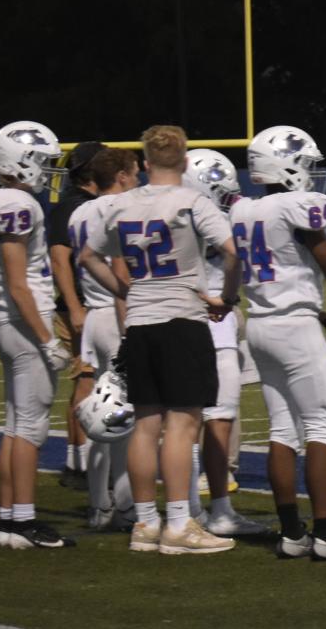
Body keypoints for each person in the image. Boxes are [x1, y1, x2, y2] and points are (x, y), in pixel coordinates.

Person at [79, 126, 240, 555]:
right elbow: (232, 251)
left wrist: (125, 291)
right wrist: (227, 297)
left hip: (140, 324)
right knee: (182, 426)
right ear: (185, 162)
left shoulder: (121, 203)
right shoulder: (191, 200)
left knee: (145, 427)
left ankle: (145, 524)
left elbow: (87, 256)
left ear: (146, 164)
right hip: (181, 321)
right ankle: (179, 524)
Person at [232, 124, 326, 560]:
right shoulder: (297, 208)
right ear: (288, 165)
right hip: (295, 326)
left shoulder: (242, 211)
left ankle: (292, 533)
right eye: (306, 164)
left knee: (282, 429)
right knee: (323, 427)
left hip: (260, 323)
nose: (311, 174)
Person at [0, 120, 72, 549]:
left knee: (16, 426)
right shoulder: (16, 204)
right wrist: (48, 339)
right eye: (44, 162)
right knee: (31, 428)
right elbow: (18, 283)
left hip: (6, 321)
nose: (50, 172)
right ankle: (25, 523)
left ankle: (10, 518)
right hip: (25, 322)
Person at [183, 148, 267, 537]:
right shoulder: (208, 217)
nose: (231, 197)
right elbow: (235, 254)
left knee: (181, 420)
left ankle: (178, 511)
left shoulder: (164, 210)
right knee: (216, 417)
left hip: (178, 318)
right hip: (213, 317)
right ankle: (215, 510)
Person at [70, 148, 139, 528]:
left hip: (94, 316)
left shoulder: (81, 211)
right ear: (123, 176)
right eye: (134, 173)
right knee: (122, 416)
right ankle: (125, 505)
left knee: (102, 412)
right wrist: (131, 330)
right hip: (115, 314)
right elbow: (119, 273)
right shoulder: (117, 208)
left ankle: (100, 504)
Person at [45, 140, 106, 488]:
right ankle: (78, 462)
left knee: (93, 380)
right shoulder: (71, 207)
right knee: (87, 380)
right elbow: (59, 259)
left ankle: (79, 459)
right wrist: (74, 304)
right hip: (82, 306)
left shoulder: (87, 204)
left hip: (90, 304)